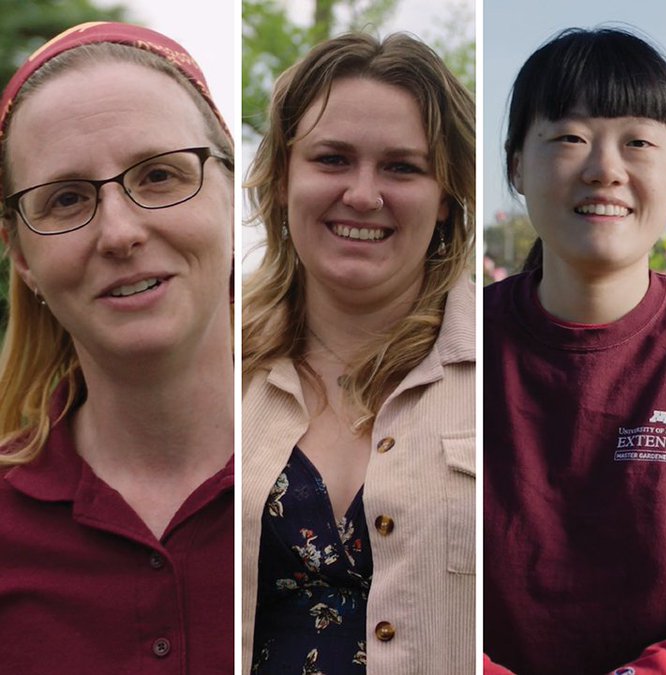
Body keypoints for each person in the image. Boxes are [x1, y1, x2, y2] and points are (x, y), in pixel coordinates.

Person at [0, 22, 234, 671]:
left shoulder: (357, 466)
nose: (120, 232)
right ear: (20, 255)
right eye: (67, 197)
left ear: (231, 196)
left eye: (159, 174)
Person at [482, 28, 666, 674]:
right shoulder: (449, 346)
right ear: (514, 167)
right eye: (569, 138)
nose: (604, 168)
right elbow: (413, 570)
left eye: (638, 142)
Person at [240, 33, 475, 674]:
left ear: (449, 200)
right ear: (283, 178)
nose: (364, 195)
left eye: (402, 167)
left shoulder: (510, 365)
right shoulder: (219, 364)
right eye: (333, 159)